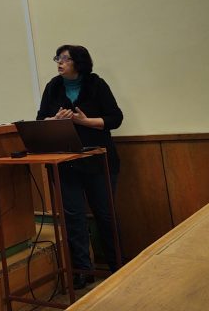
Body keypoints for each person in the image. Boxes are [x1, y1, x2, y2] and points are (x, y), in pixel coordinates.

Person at [36, 44, 123, 289]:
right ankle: (82, 271)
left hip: (99, 161)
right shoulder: (53, 86)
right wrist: (55, 120)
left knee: (104, 215)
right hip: (66, 163)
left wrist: (85, 121)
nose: (59, 62)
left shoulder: (97, 84)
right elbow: (41, 119)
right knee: (73, 217)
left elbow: (115, 118)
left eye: (65, 58)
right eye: (58, 58)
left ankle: (118, 267)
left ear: (79, 62)